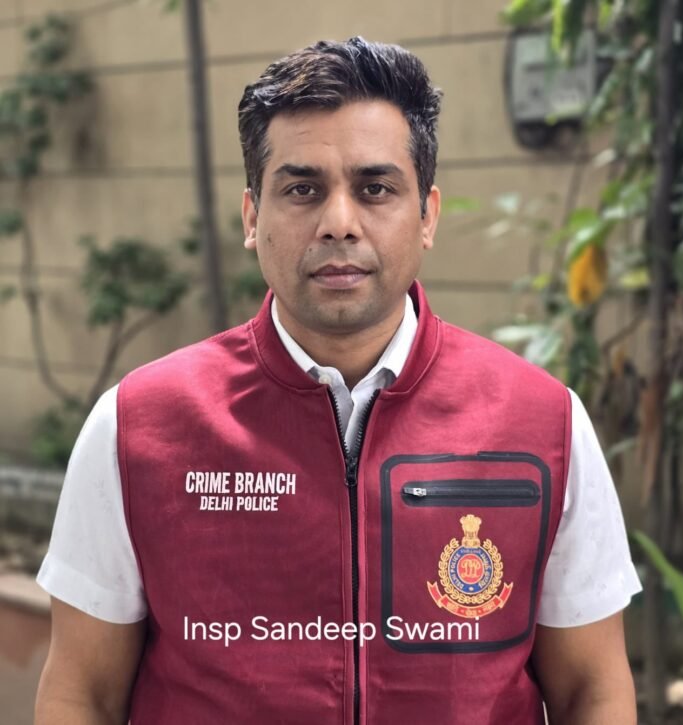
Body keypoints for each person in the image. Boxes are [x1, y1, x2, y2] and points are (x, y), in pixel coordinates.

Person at [34, 37, 641, 724]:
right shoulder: (138, 427)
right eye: (302, 189)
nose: (339, 223)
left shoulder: (544, 422)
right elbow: (82, 693)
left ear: (427, 215)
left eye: (375, 188)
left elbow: (592, 688)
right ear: (252, 217)